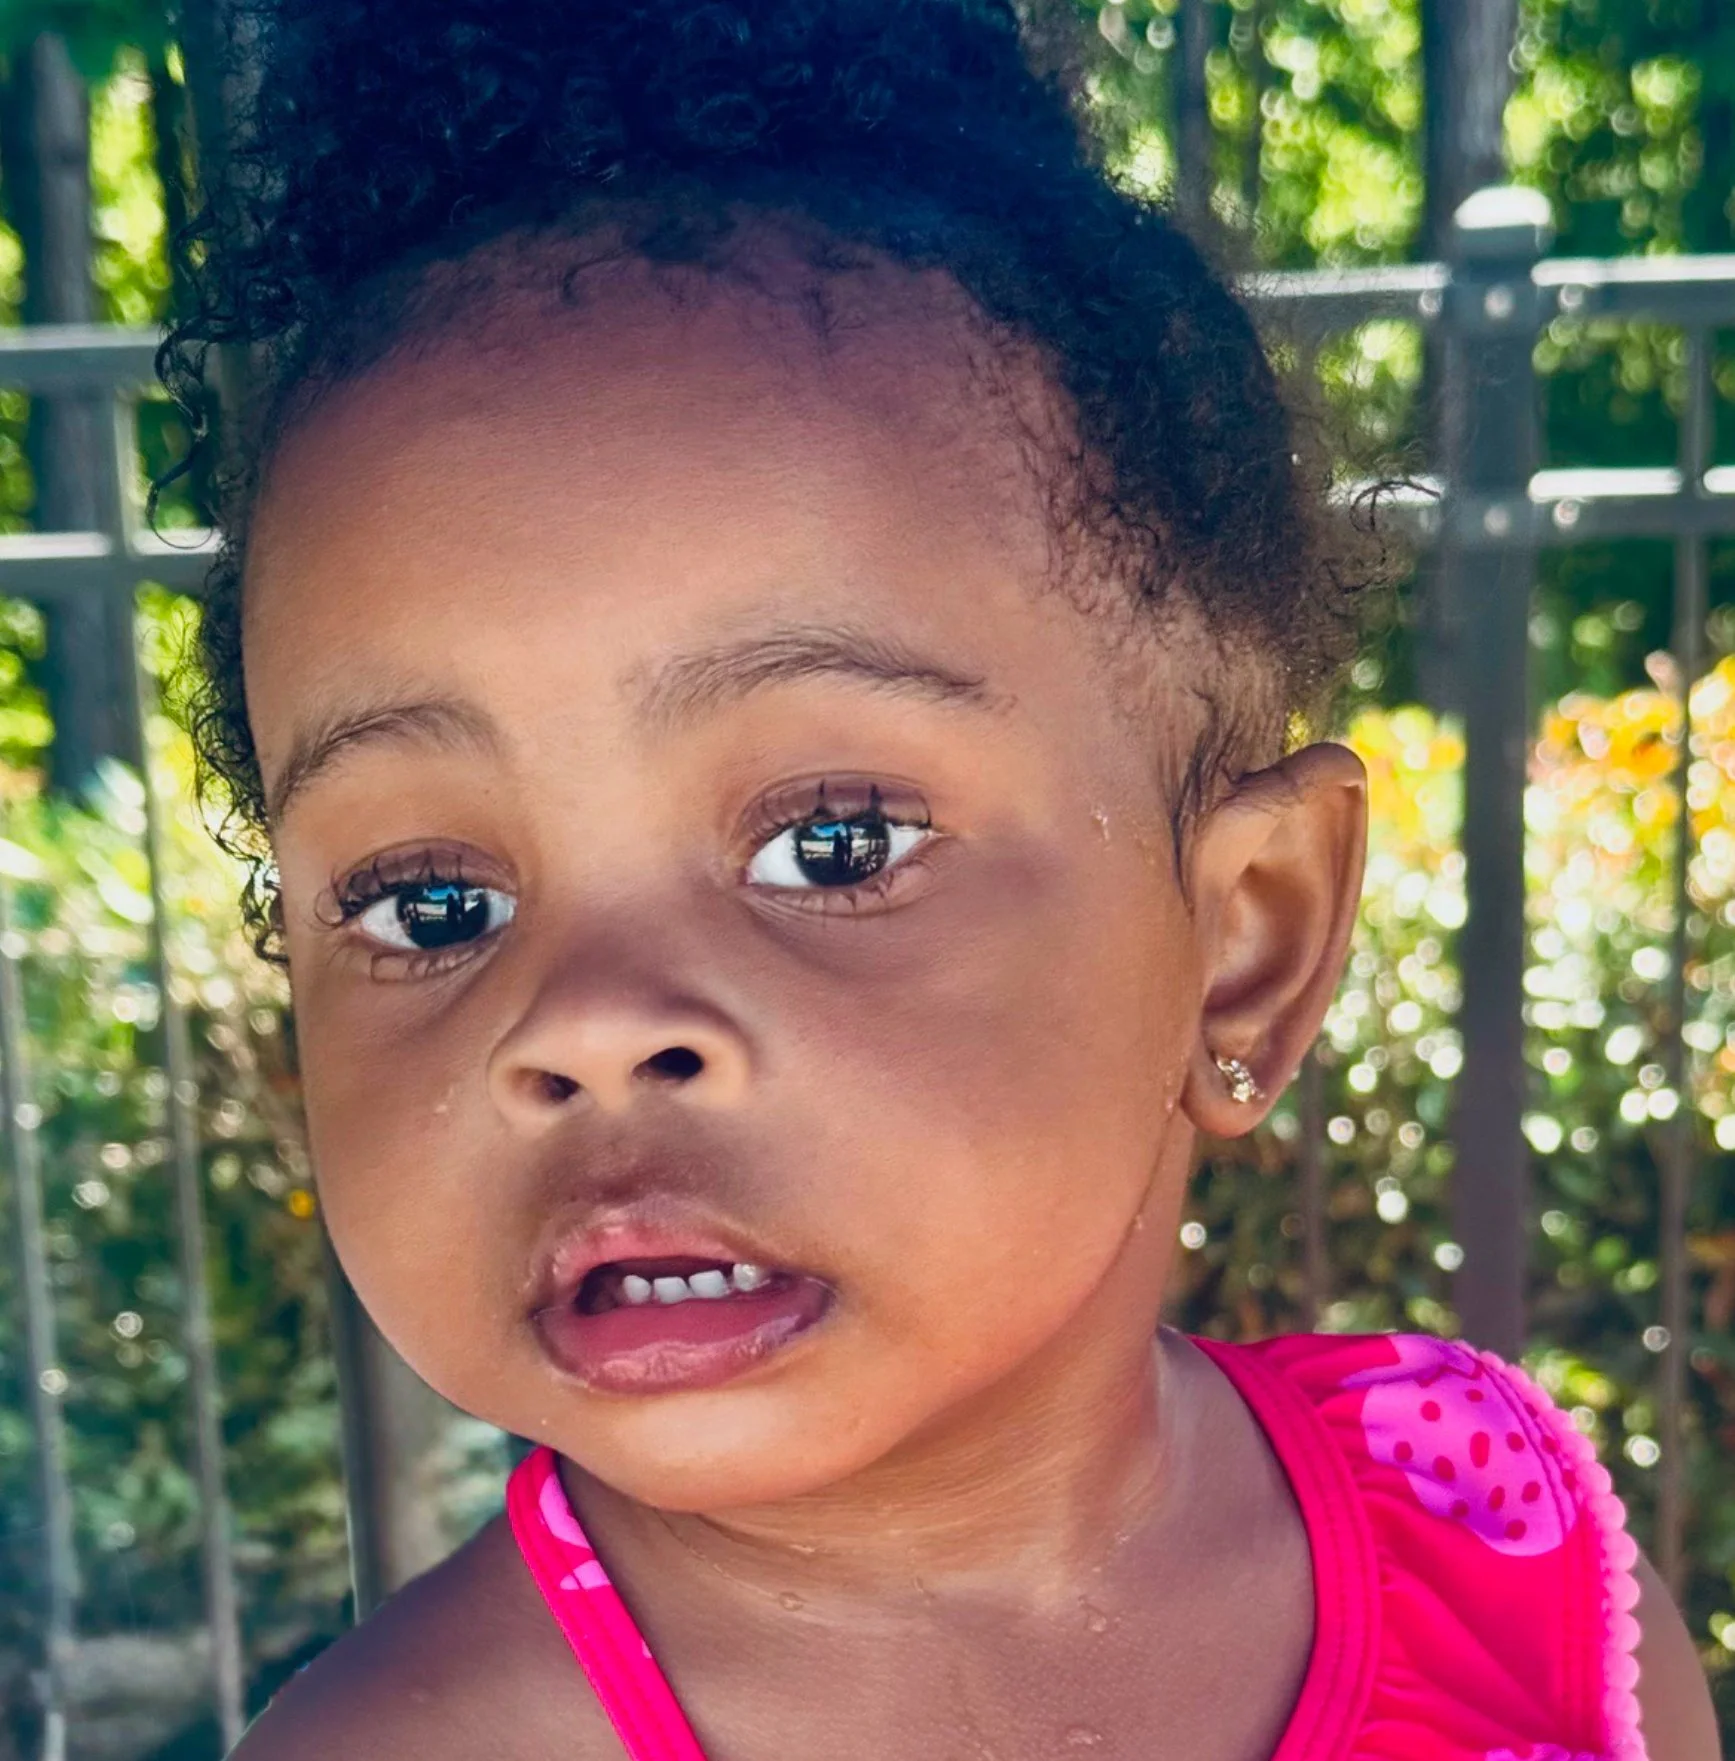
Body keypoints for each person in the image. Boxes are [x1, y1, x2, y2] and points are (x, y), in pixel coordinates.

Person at [159, 1, 1719, 1756]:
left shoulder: (1505, 1552)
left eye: (831, 842)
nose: (583, 1025)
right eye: (430, 905)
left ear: (1244, 943)